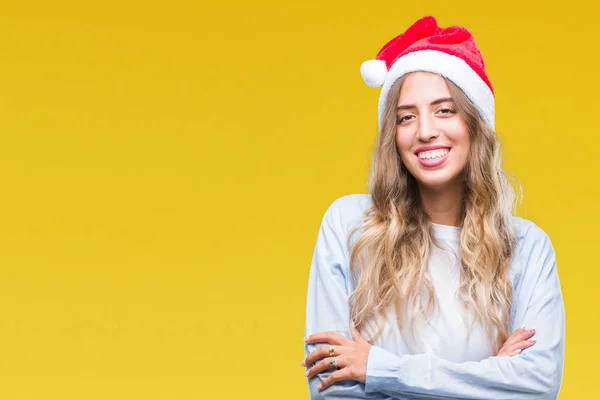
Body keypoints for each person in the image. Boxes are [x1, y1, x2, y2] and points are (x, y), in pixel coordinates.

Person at [300, 16, 565, 400]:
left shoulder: (527, 247)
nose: (424, 131)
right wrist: (487, 375)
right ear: (393, 135)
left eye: (444, 110)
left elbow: (536, 387)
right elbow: (331, 390)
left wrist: (377, 367)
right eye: (406, 116)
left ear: (475, 123)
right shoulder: (348, 226)